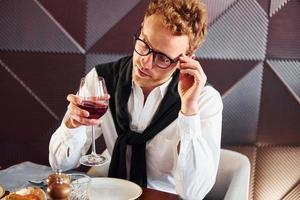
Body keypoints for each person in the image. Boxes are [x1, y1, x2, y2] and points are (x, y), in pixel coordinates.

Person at [49, 0, 223, 199]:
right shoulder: (101, 79)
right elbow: (60, 164)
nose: (145, 62)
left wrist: (189, 112)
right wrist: (72, 124)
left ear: (187, 59)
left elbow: (194, 192)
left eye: (162, 58)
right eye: (144, 43)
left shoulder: (205, 101)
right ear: (141, 29)